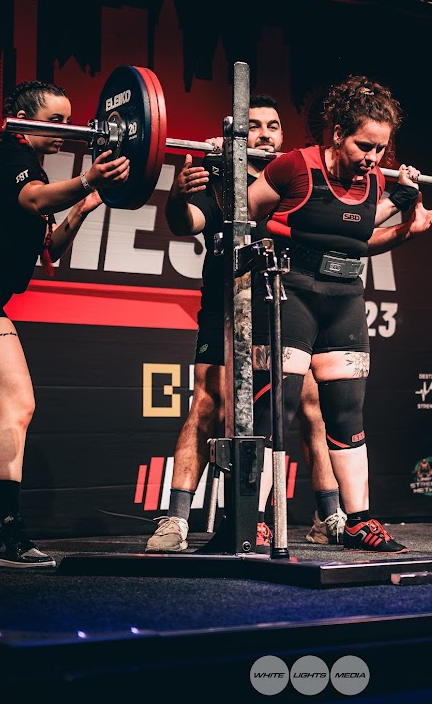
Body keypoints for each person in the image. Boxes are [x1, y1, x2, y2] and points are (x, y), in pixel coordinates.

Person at [248, 74, 432, 553]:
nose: (374, 157)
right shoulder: (294, 166)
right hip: (288, 291)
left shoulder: (375, 181)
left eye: (381, 148)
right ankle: (252, 520)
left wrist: (402, 219)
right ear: (337, 132)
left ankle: (358, 521)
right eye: (364, 145)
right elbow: (242, 212)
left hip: (344, 298)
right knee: (278, 409)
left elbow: (355, 237)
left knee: (347, 414)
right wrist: (395, 201)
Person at [145, 95, 347, 555]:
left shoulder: (294, 181)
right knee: (208, 403)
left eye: (273, 126)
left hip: (282, 304)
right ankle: (175, 520)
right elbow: (186, 222)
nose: (264, 134)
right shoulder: (221, 177)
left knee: (310, 404)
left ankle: (328, 515)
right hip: (225, 302)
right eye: (253, 126)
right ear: (240, 133)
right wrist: (177, 194)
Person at [0, 80, 129, 567]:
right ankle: (5, 536)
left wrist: (83, 208)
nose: (71, 129)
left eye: (71, 120)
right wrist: (86, 180)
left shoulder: (22, 168)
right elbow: (35, 201)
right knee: (16, 405)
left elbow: (50, 248)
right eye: (57, 120)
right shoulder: (9, 155)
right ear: (23, 118)